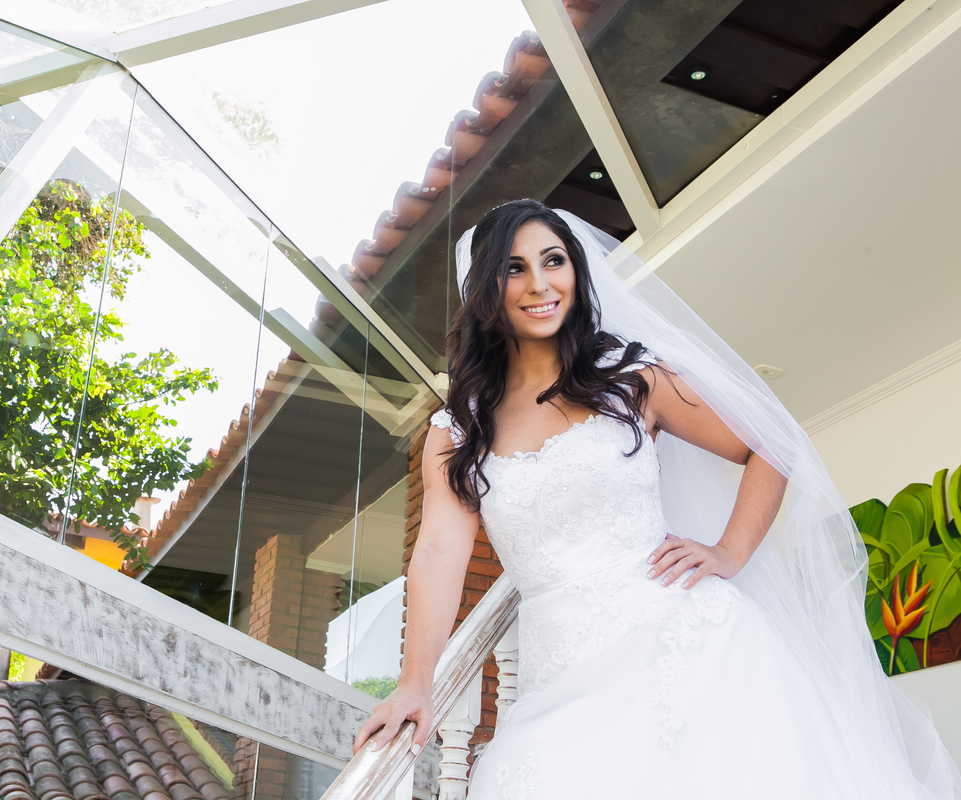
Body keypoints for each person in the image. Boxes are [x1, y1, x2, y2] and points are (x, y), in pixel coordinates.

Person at [352, 200, 961, 797]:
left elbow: (770, 447)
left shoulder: (631, 378)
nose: (539, 284)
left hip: (688, 646)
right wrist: (415, 683)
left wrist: (730, 551)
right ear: (487, 288)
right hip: (557, 678)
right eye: (514, 268)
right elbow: (436, 553)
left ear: (577, 272)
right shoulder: (459, 432)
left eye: (554, 260)